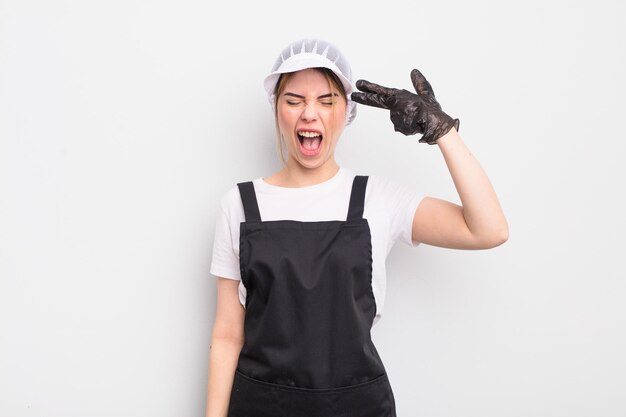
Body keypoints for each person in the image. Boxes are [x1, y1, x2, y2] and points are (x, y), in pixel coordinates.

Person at [205, 38, 508, 417]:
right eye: (294, 100)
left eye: (326, 100)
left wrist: (443, 132)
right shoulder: (240, 204)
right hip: (263, 406)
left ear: (346, 110)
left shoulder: (378, 198)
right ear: (277, 109)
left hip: (356, 407)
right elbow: (228, 334)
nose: (309, 114)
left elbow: (489, 229)